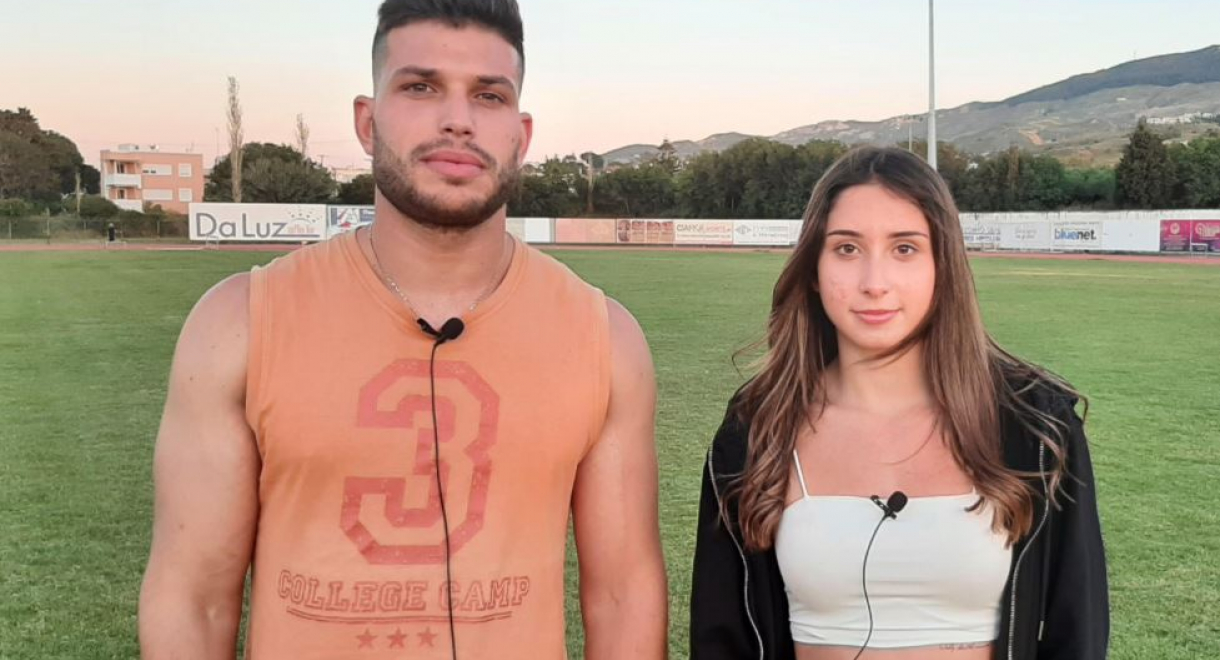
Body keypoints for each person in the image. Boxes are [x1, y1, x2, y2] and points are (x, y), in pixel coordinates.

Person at [138, 1, 668, 658]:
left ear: (522, 135)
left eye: (489, 96)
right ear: (368, 122)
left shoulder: (603, 338)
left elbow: (621, 596)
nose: (458, 119)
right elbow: (195, 598)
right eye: (420, 87)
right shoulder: (238, 323)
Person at [690, 146, 1107, 660]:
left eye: (905, 248)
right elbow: (722, 635)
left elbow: (1077, 630)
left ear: (942, 265)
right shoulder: (756, 428)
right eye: (847, 248)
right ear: (814, 268)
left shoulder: (1036, 426)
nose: (874, 283)